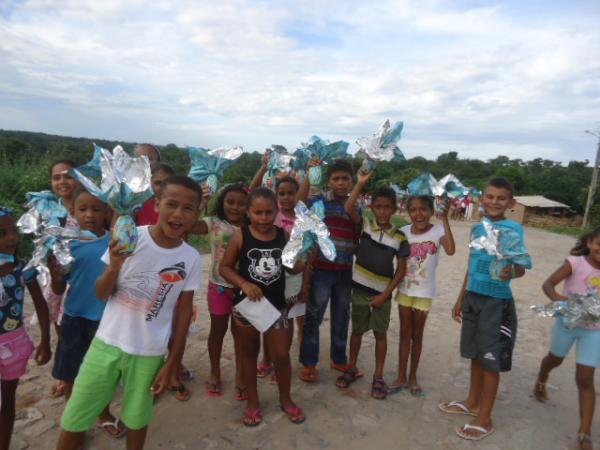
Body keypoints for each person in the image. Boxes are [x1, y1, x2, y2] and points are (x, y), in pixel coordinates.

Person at [55, 175, 202, 450]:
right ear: (156, 205)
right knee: (75, 418)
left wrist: (172, 362)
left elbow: (184, 313)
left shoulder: (191, 257)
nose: (178, 214)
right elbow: (101, 293)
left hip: (149, 353)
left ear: (198, 213)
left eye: (188, 208)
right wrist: (114, 266)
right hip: (106, 344)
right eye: (171, 204)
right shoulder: (131, 237)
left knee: (137, 419)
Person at [439, 177, 532, 441]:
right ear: (481, 199)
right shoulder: (477, 229)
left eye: (501, 198)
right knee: (475, 354)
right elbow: (471, 265)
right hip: (473, 298)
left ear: (511, 203)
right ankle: (471, 402)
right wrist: (461, 298)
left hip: (497, 302)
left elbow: (521, 267)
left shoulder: (513, 230)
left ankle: (485, 417)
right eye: (489, 197)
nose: (494, 202)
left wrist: (510, 269)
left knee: (490, 360)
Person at [220, 187, 305, 426]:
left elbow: (292, 267)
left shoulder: (283, 235)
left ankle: (286, 400)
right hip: (247, 306)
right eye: (258, 212)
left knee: (281, 355)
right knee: (248, 353)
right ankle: (253, 403)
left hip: (276, 306)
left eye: (269, 212)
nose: (264, 218)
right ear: (249, 212)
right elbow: (224, 268)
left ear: (277, 211)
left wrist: (304, 256)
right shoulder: (241, 235)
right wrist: (244, 283)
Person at [48, 187, 125, 438]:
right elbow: (59, 288)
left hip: (106, 319)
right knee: (70, 371)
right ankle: (75, 421)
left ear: (106, 212)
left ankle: (102, 413)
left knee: (102, 373)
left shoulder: (114, 243)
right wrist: (55, 273)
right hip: (74, 317)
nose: (90, 214)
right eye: (83, 209)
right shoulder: (67, 244)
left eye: (96, 208)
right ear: (73, 212)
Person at [335, 172, 409, 400]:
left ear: (395, 209)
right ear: (371, 208)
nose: (383, 211)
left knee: (380, 334)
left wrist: (386, 294)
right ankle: (352, 367)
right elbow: (348, 207)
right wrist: (360, 182)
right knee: (356, 331)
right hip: (359, 289)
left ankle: (378, 375)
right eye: (378, 207)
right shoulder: (365, 225)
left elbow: (402, 269)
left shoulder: (399, 237)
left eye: (388, 207)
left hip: (382, 295)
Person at [533, 227, 600, 450]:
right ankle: (542, 377)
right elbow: (547, 284)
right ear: (590, 243)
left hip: (594, 331)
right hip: (567, 324)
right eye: (599, 243)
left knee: (585, 378)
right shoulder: (576, 263)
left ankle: (585, 433)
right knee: (554, 359)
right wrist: (561, 301)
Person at [297, 158, 360, 382]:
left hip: (345, 270)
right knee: (314, 315)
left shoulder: (356, 205)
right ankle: (309, 361)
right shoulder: (321, 199)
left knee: (342, 315)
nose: (341, 183)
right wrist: (308, 173)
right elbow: (300, 201)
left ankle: (338, 358)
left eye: (345, 179)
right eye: (336, 179)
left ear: (352, 181)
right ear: (328, 181)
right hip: (322, 269)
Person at [390, 195, 455, 396]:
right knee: (404, 334)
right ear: (408, 212)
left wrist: (445, 218)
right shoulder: (402, 232)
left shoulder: (438, 230)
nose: (419, 214)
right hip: (405, 291)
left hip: (424, 293)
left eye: (424, 209)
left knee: (417, 336)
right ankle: (401, 375)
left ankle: (413, 377)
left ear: (430, 211)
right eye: (414, 210)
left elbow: (451, 250)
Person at [250, 156, 307, 382]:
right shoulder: (274, 215)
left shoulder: (303, 219)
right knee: (269, 318)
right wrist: (263, 165)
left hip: (294, 275)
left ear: (298, 195)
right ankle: (267, 360)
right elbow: (252, 193)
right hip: (272, 274)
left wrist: (306, 283)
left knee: (288, 319)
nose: (286, 198)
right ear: (275, 196)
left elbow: (306, 255)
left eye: (291, 193)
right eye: (281, 194)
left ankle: (282, 361)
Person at [189, 183, 248, 400]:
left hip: (243, 288)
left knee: (241, 335)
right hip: (219, 287)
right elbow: (188, 224)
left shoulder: (252, 226)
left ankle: (241, 374)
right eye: (230, 202)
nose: (235, 207)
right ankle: (215, 371)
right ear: (222, 202)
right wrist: (201, 203)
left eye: (241, 204)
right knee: (217, 331)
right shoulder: (213, 223)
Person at [0, 206, 52, 450]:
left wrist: (45, 341)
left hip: (14, 344)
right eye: (2, 233)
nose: (12, 237)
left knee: (7, 400)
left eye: (13, 231)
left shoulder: (25, 269)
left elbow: (41, 306)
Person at [47, 159, 79, 399]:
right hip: (57, 277)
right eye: (57, 177)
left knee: (82, 327)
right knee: (60, 325)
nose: (62, 181)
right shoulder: (48, 210)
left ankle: (83, 372)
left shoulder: (89, 206)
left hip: (82, 277)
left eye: (68, 176)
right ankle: (66, 373)